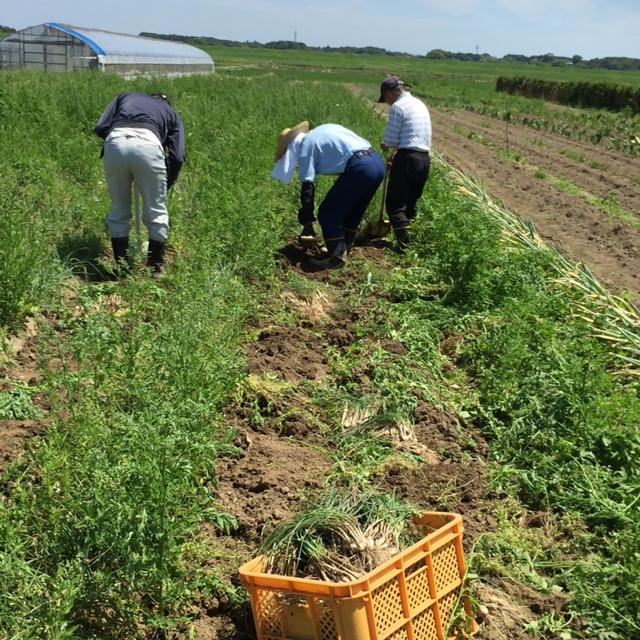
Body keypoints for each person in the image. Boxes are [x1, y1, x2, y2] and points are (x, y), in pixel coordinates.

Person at [271, 121, 385, 270]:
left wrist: (307, 221)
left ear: (292, 147)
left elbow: (307, 187)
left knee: (327, 213)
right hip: (376, 162)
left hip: (360, 167)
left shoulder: (305, 147)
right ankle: (344, 251)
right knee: (351, 213)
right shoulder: (320, 132)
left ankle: (336, 258)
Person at [94, 91, 185, 277]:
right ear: (167, 103)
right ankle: (155, 269)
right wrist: (165, 184)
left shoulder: (126, 96)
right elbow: (177, 156)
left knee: (119, 209)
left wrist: (119, 144)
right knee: (156, 210)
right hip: (149, 144)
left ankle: (122, 268)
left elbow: (100, 127)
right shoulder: (171, 114)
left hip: (115, 141)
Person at [378, 75, 431, 251]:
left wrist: (386, 146)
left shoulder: (398, 107)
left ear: (389, 93)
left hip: (407, 159)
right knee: (410, 202)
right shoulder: (419, 104)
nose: (387, 103)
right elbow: (412, 136)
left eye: (385, 99)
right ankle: (412, 242)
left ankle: (404, 246)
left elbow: (391, 139)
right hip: (423, 159)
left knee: (394, 205)